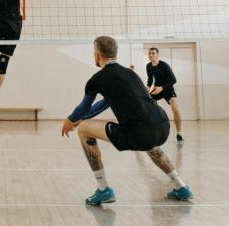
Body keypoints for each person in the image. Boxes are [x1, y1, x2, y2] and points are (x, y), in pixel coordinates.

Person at [61, 36, 193, 204]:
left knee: (84, 129)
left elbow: (85, 107)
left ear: (97, 54)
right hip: (163, 126)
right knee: (148, 140)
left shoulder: (97, 79)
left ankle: (104, 190)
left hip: (139, 132)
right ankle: (181, 187)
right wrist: (77, 118)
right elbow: (103, 104)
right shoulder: (130, 73)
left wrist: (71, 120)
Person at [146, 47, 184, 143]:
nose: (151, 55)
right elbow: (150, 80)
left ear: (157, 55)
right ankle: (147, 129)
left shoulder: (164, 65)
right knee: (145, 105)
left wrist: (161, 88)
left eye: (153, 53)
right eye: (149, 53)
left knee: (175, 108)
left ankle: (179, 133)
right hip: (157, 89)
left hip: (167, 89)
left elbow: (173, 80)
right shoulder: (149, 66)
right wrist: (146, 89)